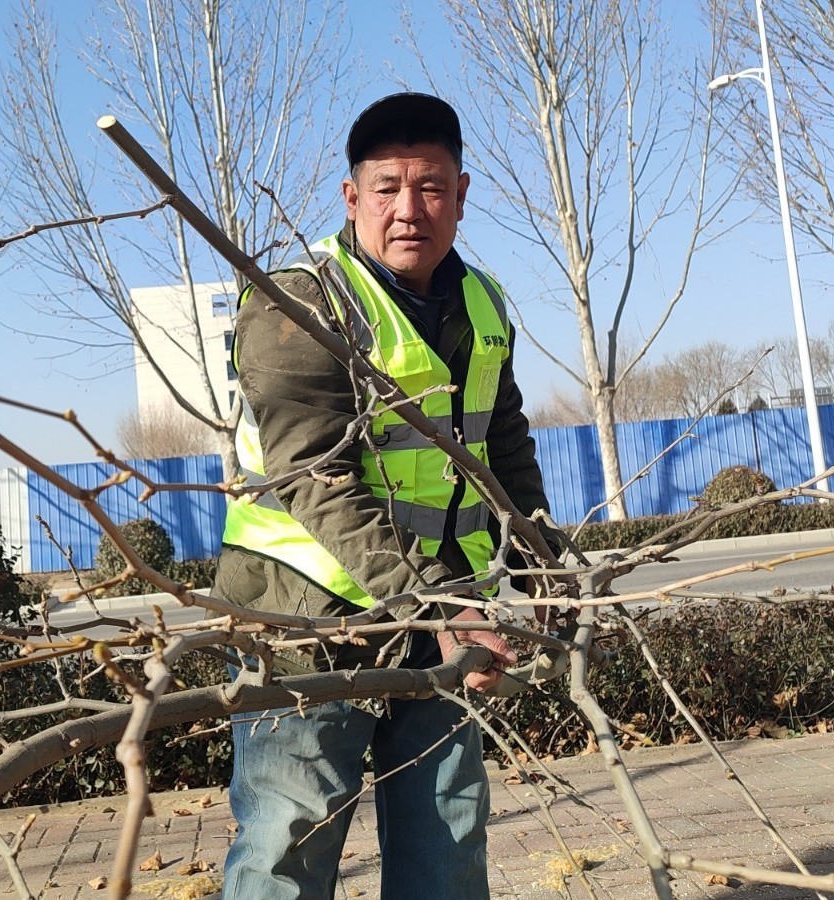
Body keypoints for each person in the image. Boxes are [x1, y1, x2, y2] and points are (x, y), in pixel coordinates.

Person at [215, 92, 558, 900]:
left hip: (440, 619)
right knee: (286, 850)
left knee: (448, 847)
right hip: (306, 623)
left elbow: (503, 446)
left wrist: (547, 567)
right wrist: (440, 603)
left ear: (461, 194)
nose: (410, 209)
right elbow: (311, 476)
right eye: (387, 188)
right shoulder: (298, 306)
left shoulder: (482, 304)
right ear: (351, 197)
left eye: (431, 187)